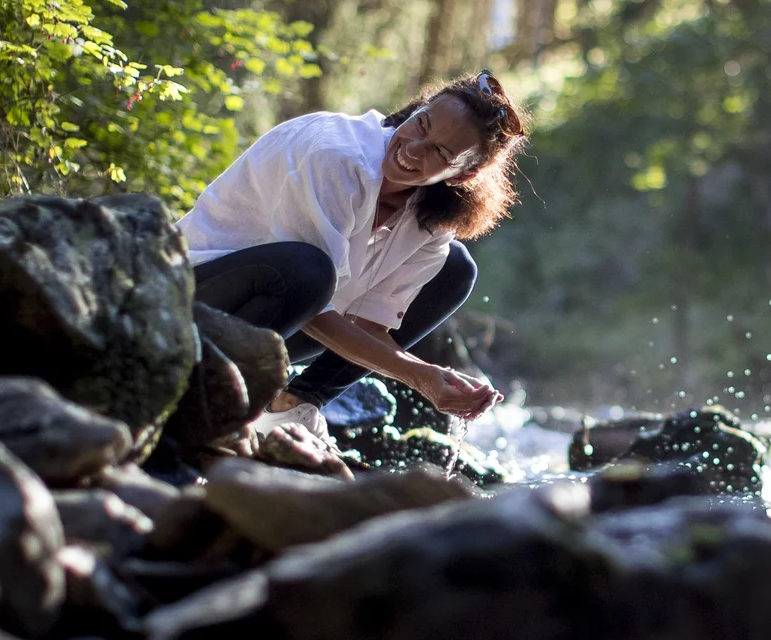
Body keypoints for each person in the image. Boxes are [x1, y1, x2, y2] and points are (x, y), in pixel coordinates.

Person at [176, 70, 526, 456]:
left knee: (455, 270)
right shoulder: (336, 157)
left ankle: (290, 406)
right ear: (415, 109)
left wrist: (429, 376)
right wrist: (418, 375)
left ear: (465, 174)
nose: (413, 149)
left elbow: (372, 328)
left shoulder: (432, 214)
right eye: (421, 124)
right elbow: (309, 302)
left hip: (273, 325)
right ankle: (205, 398)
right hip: (194, 302)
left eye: (440, 153)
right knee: (310, 270)